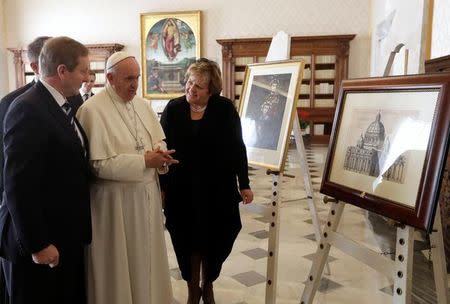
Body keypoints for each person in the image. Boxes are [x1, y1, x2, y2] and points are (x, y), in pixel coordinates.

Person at [76, 51, 177, 304]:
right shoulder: (91, 110)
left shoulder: (141, 105)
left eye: (138, 78)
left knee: (148, 259)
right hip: (114, 204)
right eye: (129, 78)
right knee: (120, 265)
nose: (135, 85)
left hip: (147, 198)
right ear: (110, 78)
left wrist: (159, 154)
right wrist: (144, 161)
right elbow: (96, 165)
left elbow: (157, 139)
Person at [0, 36, 92, 304]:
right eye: (83, 70)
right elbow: (18, 184)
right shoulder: (27, 108)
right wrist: (38, 244)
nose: (87, 77)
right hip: (42, 242)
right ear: (62, 71)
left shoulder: (64, 103)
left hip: (64, 234)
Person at [159, 58, 254, 304]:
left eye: (199, 86)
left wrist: (244, 183)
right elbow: (162, 149)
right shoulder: (173, 109)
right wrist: (162, 188)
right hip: (182, 190)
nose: (191, 89)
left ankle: (208, 281)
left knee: (217, 237)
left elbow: (237, 148)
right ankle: (193, 288)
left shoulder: (224, 109)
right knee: (186, 239)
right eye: (189, 82)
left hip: (217, 189)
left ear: (211, 90)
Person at [0, 35, 51, 304]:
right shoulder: (14, 104)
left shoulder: (74, 99)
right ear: (35, 66)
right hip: (23, 225)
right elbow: (11, 176)